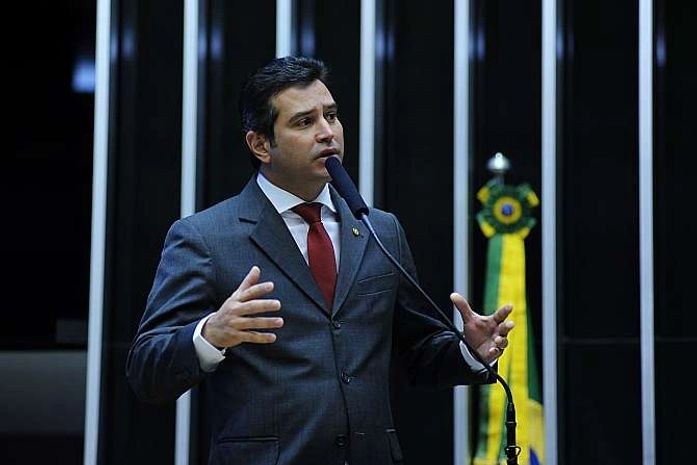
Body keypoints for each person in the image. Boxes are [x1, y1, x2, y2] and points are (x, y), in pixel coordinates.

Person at [126, 56, 514, 465]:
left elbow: (417, 353)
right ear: (260, 145)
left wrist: (470, 351)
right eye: (304, 122)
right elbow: (147, 371)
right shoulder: (206, 237)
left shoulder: (380, 230)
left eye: (331, 115)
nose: (328, 132)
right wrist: (211, 333)